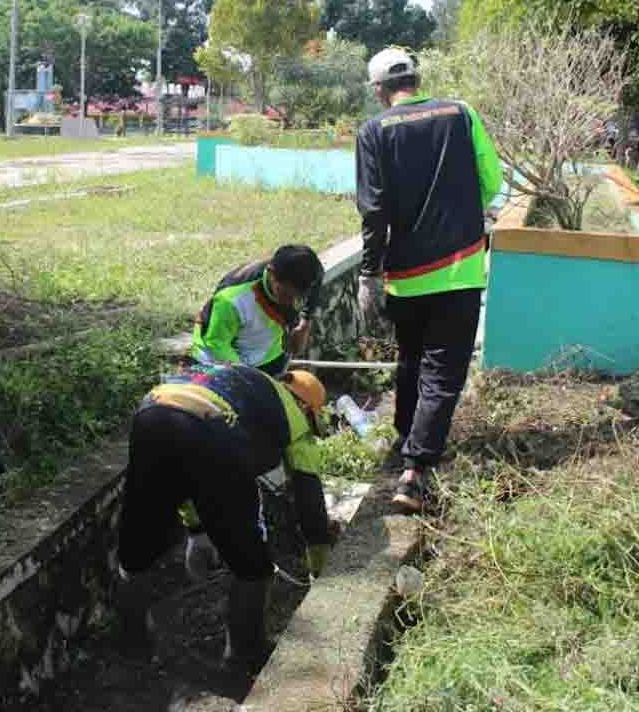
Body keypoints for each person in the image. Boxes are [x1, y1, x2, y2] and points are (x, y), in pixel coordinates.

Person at [353, 47, 503, 514]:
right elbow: (493, 180)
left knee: (413, 362)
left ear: (380, 90)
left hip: (406, 277)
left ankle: (406, 444)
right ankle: (416, 469)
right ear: (416, 80)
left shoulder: (373, 131)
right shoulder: (462, 114)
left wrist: (368, 276)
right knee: (442, 373)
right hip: (460, 270)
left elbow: (373, 210)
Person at [114, 364, 333, 666]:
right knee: (252, 568)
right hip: (211, 426)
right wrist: (321, 566)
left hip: (152, 412)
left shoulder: (242, 379)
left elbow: (187, 472)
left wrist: (197, 530)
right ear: (305, 407)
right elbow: (308, 494)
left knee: (135, 553)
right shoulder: (293, 413)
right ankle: (245, 656)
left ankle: (133, 646)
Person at [191, 245, 324, 375]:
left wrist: (305, 322)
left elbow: (315, 283)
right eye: (285, 294)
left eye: (298, 297)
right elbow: (216, 343)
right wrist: (246, 375)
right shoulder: (232, 298)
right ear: (271, 274)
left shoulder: (309, 276)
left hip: (267, 351)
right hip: (221, 358)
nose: (290, 302)